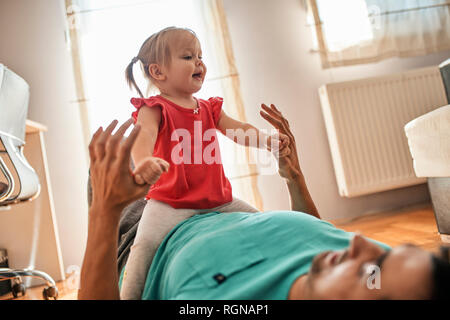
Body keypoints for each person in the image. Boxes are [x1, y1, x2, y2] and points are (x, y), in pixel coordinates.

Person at [79, 105, 450, 300]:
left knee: (112, 167)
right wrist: (294, 177)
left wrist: (104, 213)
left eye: (375, 274)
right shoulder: (352, 265)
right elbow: (318, 234)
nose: (359, 241)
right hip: (217, 207)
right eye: (388, 250)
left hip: (154, 234)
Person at [120, 26, 289, 299]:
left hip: (218, 199)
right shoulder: (153, 107)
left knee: (261, 222)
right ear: (158, 72)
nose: (199, 62)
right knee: (143, 248)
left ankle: (279, 272)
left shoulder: (209, 107)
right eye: (188, 57)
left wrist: (266, 140)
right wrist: (144, 161)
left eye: (200, 56)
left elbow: (239, 129)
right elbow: (144, 134)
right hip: (170, 203)